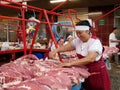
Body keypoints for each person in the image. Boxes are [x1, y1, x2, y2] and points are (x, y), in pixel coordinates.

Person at [49, 19, 111, 90]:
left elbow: (90, 59)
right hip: (86, 71)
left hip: (97, 73)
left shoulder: (95, 42)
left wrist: (70, 64)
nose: (78, 35)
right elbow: (67, 47)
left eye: (80, 33)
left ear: (88, 31)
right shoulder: (77, 41)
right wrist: (55, 50)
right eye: (77, 33)